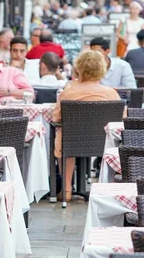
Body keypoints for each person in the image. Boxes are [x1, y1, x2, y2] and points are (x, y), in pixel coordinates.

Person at [52, 50, 121, 201]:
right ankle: (108, 188)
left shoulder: (68, 92)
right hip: (104, 143)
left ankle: (67, 190)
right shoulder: (111, 94)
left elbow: (56, 118)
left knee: (63, 139)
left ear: (79, 68)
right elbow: (122, 119)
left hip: (72, 141)